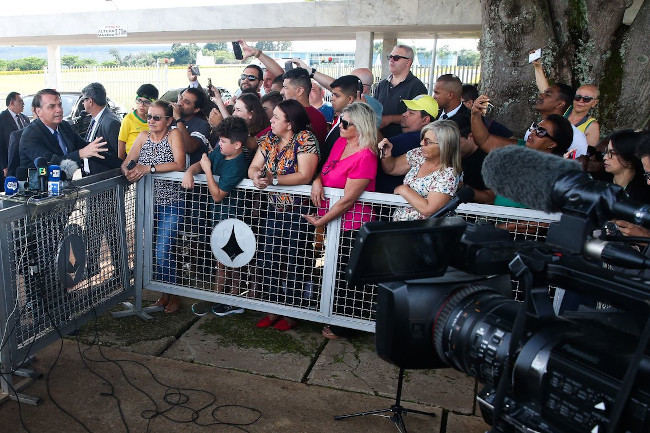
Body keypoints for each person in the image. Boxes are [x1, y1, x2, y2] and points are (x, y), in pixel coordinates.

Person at [303, 102, 378, 340]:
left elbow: (348, 200)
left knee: (349, 276)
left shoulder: (366, 156)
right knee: (333, 272)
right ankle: (334, 315)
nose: (340, 126)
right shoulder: (339, 143)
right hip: (334, 222)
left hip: (354, 224)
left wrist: (321, 221)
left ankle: (347, 325)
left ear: (361, 126)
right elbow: (324, 172)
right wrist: (316, 181)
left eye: (345, 123)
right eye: (339, 120)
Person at [249, 99, 319, 331]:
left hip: (298, 212)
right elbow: (254, 166)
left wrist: (273, 180)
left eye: (277, 117)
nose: (271, 120)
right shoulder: (268, 139)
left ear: (289, 123)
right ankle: (272, 309)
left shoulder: (305, 139)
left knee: (295, 262)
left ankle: (292, 312)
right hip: (274, 210)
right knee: (268, 259)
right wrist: (256, 176)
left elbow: (305, 175)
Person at [121, 100, 185, 314]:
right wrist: (128, 172)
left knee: (162, 250)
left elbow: (179, 164)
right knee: (152, 251)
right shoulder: (142, 136)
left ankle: (174, 295)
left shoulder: (173, 135)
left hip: (171, 203)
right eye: (149, 116)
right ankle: (164, 294)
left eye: (156, 117)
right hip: (147, 205)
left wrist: (149, 168)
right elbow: (128, 161)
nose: (151, 121)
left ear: (168, 120)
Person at [182, 116, 249, 316]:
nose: (219, 144)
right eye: (219, 140)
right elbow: (199, 164)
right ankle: (218, 297)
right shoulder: (220, 153)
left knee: (232, 262)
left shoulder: (237, 164)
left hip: (234, 219)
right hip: (218, 218)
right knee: (221, 260)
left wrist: (207, 171)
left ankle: (231, 299)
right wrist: (189, 172)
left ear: (237, 145)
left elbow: (218, 195)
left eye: (223, 141)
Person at [379, 120, 462, 220]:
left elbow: (429, 210)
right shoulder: (419, 154)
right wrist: (386, 154)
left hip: (422, 231)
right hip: (401, 227)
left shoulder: (448, 173)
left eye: (428, 141)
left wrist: (403, 190)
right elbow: (392, 168)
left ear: (444, 146)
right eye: (423, 139)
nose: (422, 143)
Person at [19, 89, 108, 169]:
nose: (59, 110)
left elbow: (87, 148)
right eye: (52, 106)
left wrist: (120, 165)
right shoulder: (30, 135)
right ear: (38, 111)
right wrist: (81, 154)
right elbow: (51, 163)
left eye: (60, 105)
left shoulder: (63, 126)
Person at [375, 94, 437, 194]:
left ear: (425, 120)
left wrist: (367, 121)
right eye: (406, 110)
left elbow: (382, 145)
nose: (404, 114)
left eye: (411, 113)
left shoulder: (415, 138)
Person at [532, 58, 600, 147]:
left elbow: (587, 154)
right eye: (578, 97)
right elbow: (547, 92)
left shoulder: (592, 126)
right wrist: (538, 67)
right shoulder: (565, 110)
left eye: (586, 99)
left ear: (594, 103)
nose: (580, 101)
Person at [374, 44, 427, 138]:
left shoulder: (417, 86)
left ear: (408, 62)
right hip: (378, 139)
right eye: (390, 57)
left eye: (396, 57)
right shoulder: (381, 85)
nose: (391, 60)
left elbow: (418, 117)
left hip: (402, 141)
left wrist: (389, 119)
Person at [80, 82, 123, 175]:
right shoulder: (95, 118)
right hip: (91, 177)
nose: (83, 103)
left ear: (90, 101)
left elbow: (119, 156)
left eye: (84, 100)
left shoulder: (111, 122)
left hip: (105, 181)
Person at [119, 84, 158, 159]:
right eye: (139, 100)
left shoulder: (156, 120)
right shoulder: (128, 119)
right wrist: (121, 164)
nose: (141, 105)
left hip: (151, 159)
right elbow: (121, 142)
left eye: (146, 102)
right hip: (132, 159)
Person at [1, 91, 29, 189]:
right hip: (9, 163)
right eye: (20, 101)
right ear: (12, 103)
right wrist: (4, 166)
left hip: (23, 163)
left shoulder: (25, 119)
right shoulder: (2, 118)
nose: (23, 104)